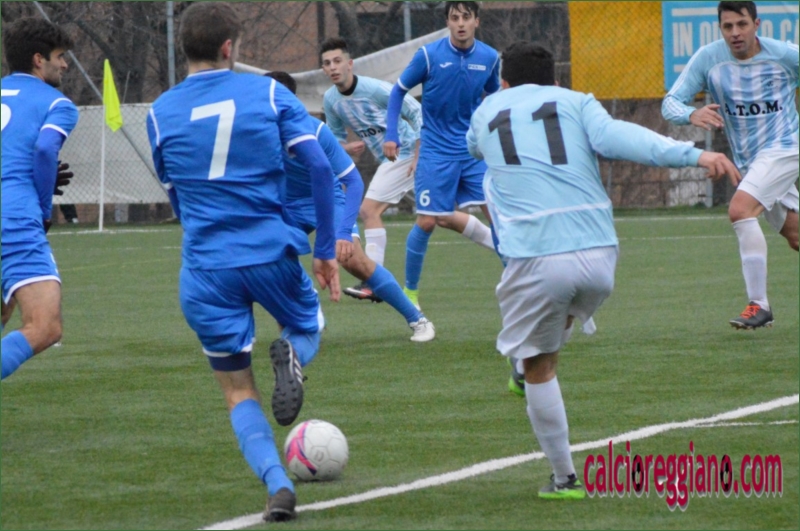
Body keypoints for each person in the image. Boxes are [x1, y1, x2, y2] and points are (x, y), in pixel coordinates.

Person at [467, 41, 741, 499]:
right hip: (599, 254)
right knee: (558, 310)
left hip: (536, 255)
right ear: (556, 80)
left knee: (538, 366)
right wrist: (694, 154)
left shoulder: (487, 110)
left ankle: (564, 479)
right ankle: (526, 358)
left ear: (504, 83)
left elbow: (476, 147)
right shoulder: (577, 102)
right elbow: (624, 138)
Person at [145, 3, 340, 522]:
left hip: (205, 267)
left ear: (184, 47)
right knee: (308, 325)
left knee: (237, 389)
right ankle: (293, 355)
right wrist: (324, 250)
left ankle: (278, 484)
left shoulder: (159, 112)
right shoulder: (269, 94)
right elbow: (321, 169)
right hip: (268, 251)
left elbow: (175, 195)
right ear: (229, 48)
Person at [266, 71, 435, 342]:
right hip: (287, 204)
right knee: (268, 258)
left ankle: (418, 319)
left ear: (287, 100)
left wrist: (344, 232)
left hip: (327, 198)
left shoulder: (315, 130)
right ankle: (296, 326)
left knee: (353, 260)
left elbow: (353, 182)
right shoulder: (255, 131)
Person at [662, 1, 799, 330]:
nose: (735, 33)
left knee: (740, 210)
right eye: (728, 26)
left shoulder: (784, 55)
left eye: (742, 24)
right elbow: (670, 103)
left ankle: (759, 305)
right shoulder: (709, 59)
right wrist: (691, 113)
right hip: (751, 163)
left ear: (757, 24)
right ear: (720, 28)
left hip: (785, 148)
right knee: (796, 235)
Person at [383, 1, 499, 310]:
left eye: (466, 17)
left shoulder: (489, 58)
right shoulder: (428, 55)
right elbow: (397, 91)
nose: (460, 23)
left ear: (476, 21)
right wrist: (392, 134)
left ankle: (522, 284)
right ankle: (410, 294)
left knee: (498, 218)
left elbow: (494, 96)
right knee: (426, 222)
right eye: (454, 17)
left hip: (473, 151)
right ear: (447, 22)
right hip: (435, 151)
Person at [1, 17, 79, 380]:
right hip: (13, 218)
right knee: (44, 326)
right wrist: (44, 208)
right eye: (60, 56)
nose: (64, 65)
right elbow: (46, 150)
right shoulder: (56, 103)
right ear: (38, 60)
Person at [321, 37, 425, 302]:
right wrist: (347, 147)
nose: (333, 67)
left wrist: (418, 154)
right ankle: (503, 245)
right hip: (391, 161)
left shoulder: (375, 89)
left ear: (350, 64)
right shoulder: (331, 100)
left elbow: (416, 111)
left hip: (407, 153)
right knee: (442, 216)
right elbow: (333, 139)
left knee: (368, 210)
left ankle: (375, 282)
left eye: (337, 61)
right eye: (327, 63)